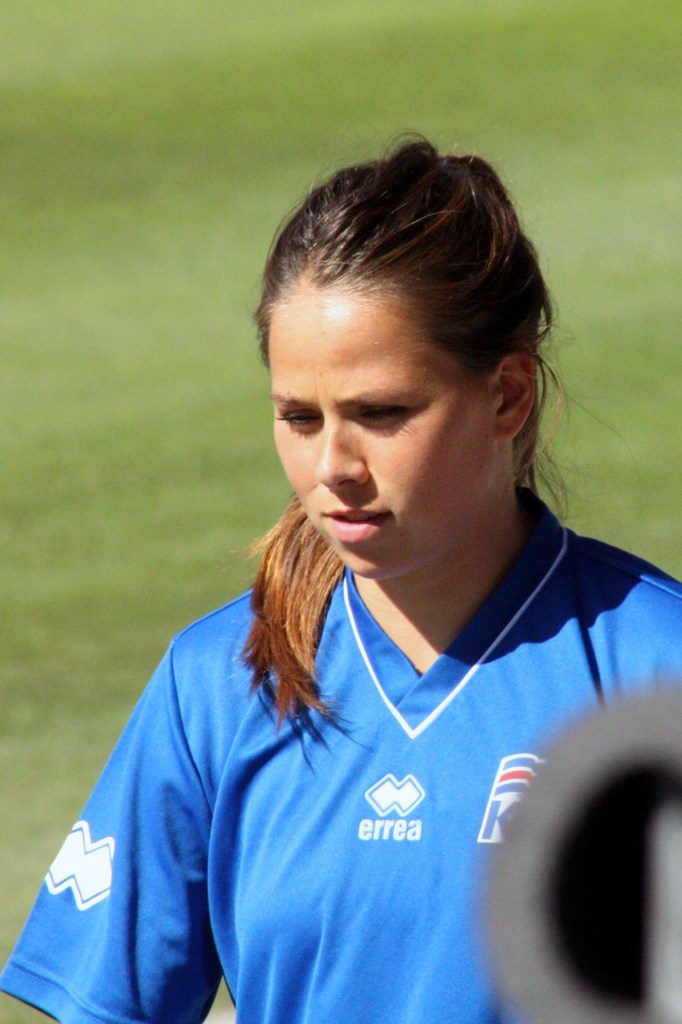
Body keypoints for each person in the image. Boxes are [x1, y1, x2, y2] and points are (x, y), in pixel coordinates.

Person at [2, 138, 682, 1024]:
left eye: (382, 413)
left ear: (509, 397)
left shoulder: (656, 673)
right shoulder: (218, 684)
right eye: (299, 417)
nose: (332, 467)